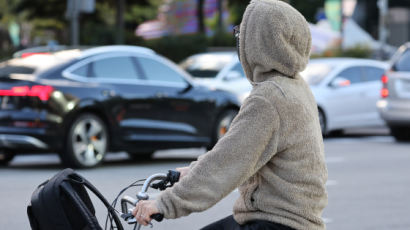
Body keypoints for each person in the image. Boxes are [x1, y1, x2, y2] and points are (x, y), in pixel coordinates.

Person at [132, 0, 328, 229]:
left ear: (258, 41)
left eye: (241, 33)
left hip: (277, 221)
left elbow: (226, 163)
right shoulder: (294, 87)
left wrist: (164, 204)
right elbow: (238, 153)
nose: (239, 40)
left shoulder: (269, 98)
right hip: (286, 219)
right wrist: (189, 172)